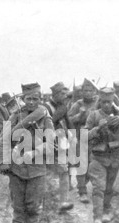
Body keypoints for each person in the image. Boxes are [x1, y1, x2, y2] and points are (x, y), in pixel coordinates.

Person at [0, 82, 54, 223]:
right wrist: (5, 160)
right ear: (23, 99)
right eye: (28, 98)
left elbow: (51, 143)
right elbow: (4, 139)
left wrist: (35, 152)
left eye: (35, 99)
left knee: (33, 203)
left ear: (40, 99)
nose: (31, 102)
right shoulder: (15, 116)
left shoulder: (45, 118)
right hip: (17, 168)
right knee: (18, 204)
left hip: (37, 168)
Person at [86, 87, 119, 223]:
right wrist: (97, 129)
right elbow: (84, 135)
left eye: (109, 102)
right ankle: (97, 218)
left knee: (110, 188)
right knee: (98, 187)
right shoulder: (93, 115)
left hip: (116, 156)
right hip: (98, 157)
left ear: (113, 101)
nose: (106, 105)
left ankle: (107, 210)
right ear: (100, 101)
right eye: (104, 102)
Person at [44, 82, 74, 213]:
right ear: (55, 94)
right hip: (45, 143)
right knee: (44, 173)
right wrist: (60, 112)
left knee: (63, 171)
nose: (65, 96)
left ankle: (63, 201)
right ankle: (41, 202)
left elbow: (69, 123)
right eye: (62, 94)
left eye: (65, 93)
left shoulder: (62, 106)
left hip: (60, 143)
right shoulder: (45, 107)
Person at [68, 78, 99, 203]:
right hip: (81, 137)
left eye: (90, 91)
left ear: (94, 91)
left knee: (94, 164)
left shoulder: (98, 102)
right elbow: (68, 120)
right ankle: (82, 192)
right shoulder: (78, 104)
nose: (87, 93)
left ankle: (87, 183)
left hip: (96, 138)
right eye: (85, 91)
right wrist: (79, 115)